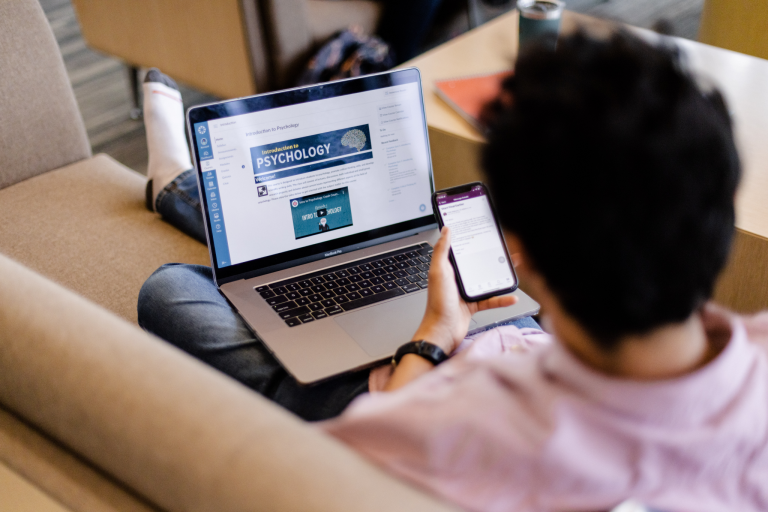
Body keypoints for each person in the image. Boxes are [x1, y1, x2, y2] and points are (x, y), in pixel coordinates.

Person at [137, 29, 768, 511]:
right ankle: (183, 188)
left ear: (522, 253)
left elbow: (336, 470)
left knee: (174, 290)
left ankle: (179, 188)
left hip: (404, 376)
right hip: (517, 337)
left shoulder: (452, 434)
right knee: (352, 236)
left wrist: (434, 335)